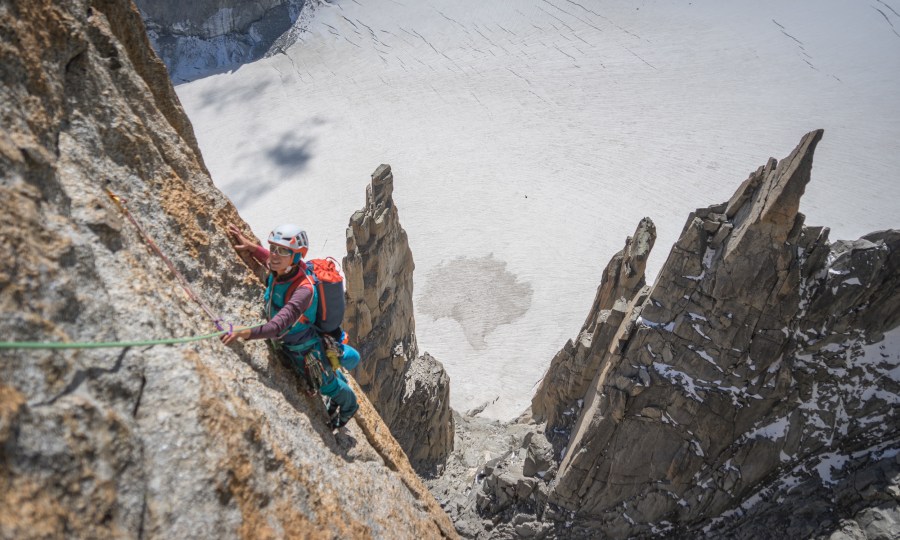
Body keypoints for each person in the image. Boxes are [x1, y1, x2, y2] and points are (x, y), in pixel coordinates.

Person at [222, 223, 359, 429]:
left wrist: (244, 333)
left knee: (326, 386)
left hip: (304, 349)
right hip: (298, 343)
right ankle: (337, 368)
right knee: (329, 376)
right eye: (273, 248)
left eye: (283, 251)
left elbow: (277, 326)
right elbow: (270, 262)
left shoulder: (303, 291)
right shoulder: (284, 270)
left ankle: (350, 407)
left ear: (296, 257)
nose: (274, 255)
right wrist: (252, 248)